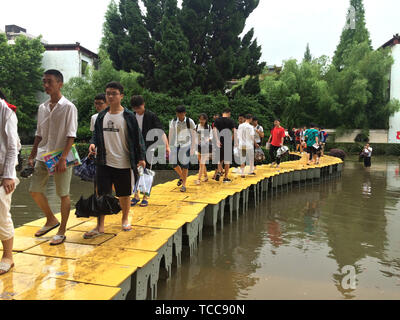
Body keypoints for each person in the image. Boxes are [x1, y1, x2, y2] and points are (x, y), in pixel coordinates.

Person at [87, 82, 146, 237]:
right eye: (108, 93)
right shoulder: (101, 116)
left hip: (124, 161)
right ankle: (100, 225)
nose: (111, 96)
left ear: (121, 96)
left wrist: (141, 158)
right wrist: (92, 143)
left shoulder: (128, 116)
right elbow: (95, 135)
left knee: (124, 193)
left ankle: (125, 219)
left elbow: (137, 138)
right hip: (103, 161)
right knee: (101, 193)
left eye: (114, 93)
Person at [28, 70, 78, 246]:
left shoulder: (69, 107)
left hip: (60, 154)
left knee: (63, 193)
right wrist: (32, 154)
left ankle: (62, 230)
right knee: (34, 190)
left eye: (49, 82)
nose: (46, 85)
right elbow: (39, 133)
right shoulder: (42, 107)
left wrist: (63, 158)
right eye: (44, 82)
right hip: (43, 154)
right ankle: (50, 219)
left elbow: (71, 135)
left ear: (60, 84)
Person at [131, 95, 170, 206]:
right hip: (135, 148)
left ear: (143, 105)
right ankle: (136, 195)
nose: (137, 110)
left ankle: (146, 196)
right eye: (135, 108)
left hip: (149, 147)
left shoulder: (151, 116)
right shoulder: (132, 116)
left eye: (139, 108)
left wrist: (167, 146)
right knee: (135, 171)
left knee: (147, 172)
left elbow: (161, 131)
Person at [0, 95, 20, 275]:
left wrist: (8, 175)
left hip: (3, 174)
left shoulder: (6, 111)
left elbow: (12, 146)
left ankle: (8, 256)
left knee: (1, 213)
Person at [168, 105, 196, 192]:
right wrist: (168, 146)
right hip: (177, 144)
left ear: (184, 113)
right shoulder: (173, 121)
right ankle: (182, 177)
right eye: (178, 114)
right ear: (176, 114)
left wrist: (193, 147)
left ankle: (183, 185)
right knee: (173, 163)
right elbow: (171, 133)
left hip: (186, 144)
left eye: (181, 114)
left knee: (185, 165)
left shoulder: (189, 121)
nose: (180, 116)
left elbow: (194, 134)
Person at [213, 108, 237, 183]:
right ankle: (225, 177)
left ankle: (219, 171)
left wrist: (217, 140)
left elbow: (214, 130)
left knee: (219, 159)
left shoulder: (217, 120)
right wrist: (234, 140)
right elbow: (235, 131)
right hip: (228, 141)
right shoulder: (231, 121)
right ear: (229, 113)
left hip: (219, 140)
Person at [194, 113, 212, 185]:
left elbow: (212, 136)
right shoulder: (196, 126)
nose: (201, 121)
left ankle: (198, 179)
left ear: (206, 120)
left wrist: (207, 139)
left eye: (203, 119)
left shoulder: (209, 127)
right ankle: (206, 176)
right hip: (198, 146)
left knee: (202, 163)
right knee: (201, 163)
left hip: (205, 147)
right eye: (200, 119)